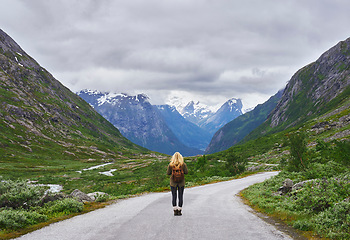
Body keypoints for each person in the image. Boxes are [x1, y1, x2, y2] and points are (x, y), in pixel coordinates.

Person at [167, 152, 188, 216]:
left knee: (174, 196)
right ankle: (179, 210)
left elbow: (168, 173)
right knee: (180, 196)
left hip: (173, 183)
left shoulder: (171, 165)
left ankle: (175, 211)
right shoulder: (183, 164)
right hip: (181, 183)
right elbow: (186, 172)